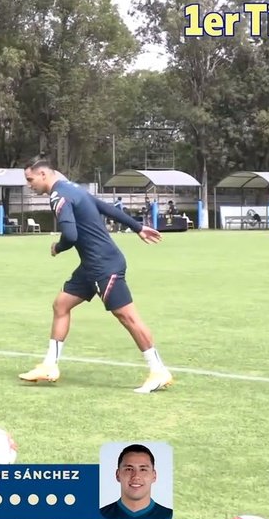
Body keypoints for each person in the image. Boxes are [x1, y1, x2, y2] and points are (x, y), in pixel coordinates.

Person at [18, 159, 173, 393]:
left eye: (30, 180)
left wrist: (57, 248)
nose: (29, 185)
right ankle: (50, 365)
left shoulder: (58, 195)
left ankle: (158, 370)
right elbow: (105, 207)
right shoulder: (73, 188)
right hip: (91, 266)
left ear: (42, 174)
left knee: (127, 317)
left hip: (104, 265)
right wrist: (137, 227)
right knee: (61, 305)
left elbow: (70, 235)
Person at [99, 444, 173, 519]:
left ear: (154, 476)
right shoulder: (99, 517)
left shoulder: (169, 517)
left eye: (143, 469)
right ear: (118, 475)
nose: (136, 476)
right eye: (129, 469)